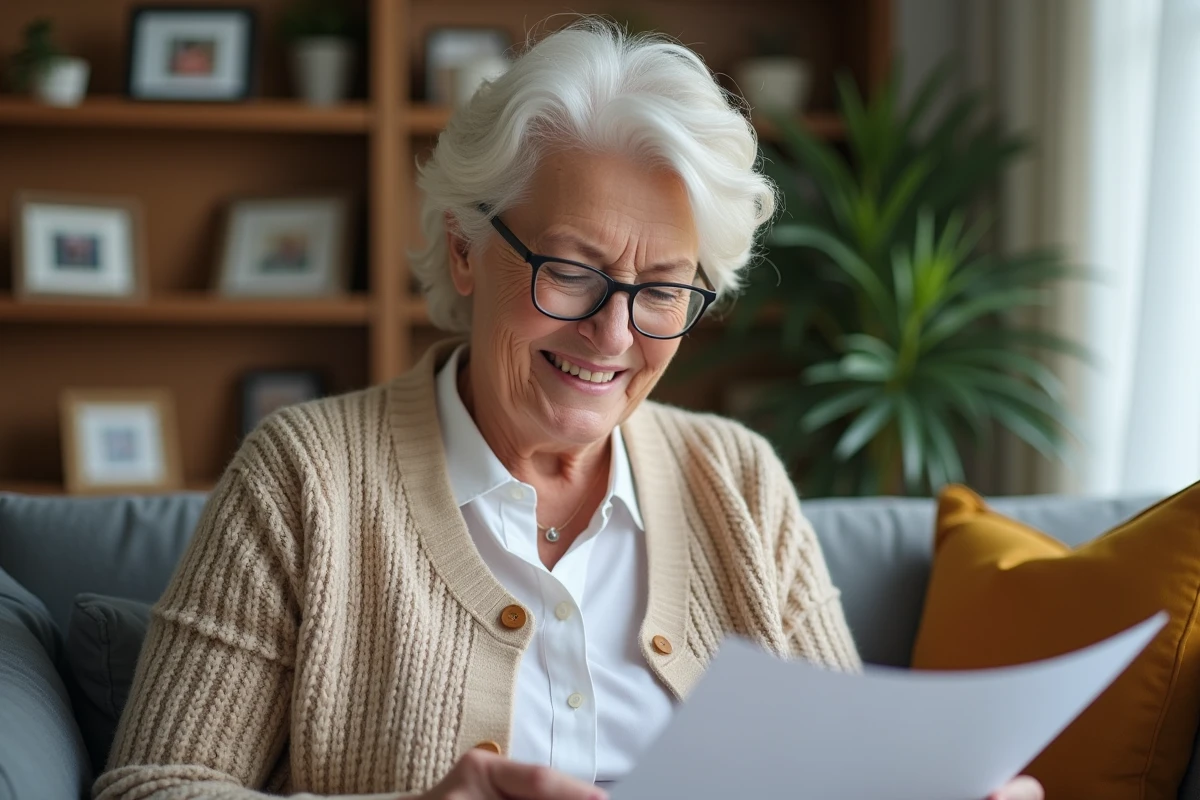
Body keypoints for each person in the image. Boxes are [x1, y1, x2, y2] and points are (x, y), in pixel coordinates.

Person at [94, 17, 1043, 800]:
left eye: (663, 288)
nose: (614, 335)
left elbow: (850, 780)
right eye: (572, 271)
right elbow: (152, 786)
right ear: (466, 249)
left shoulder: (741, 481)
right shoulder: (306, 476)